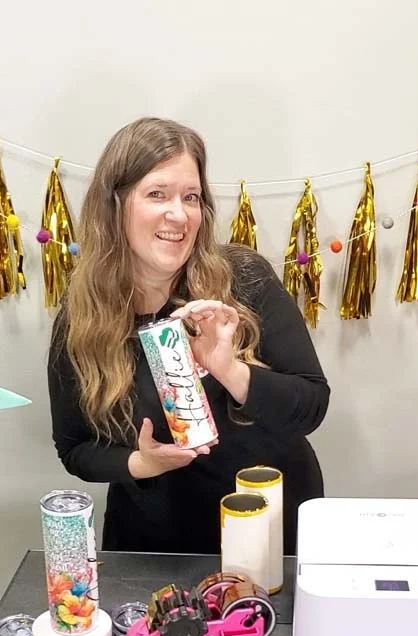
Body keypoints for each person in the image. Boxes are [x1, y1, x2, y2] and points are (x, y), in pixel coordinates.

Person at [48, 117, 329, 556]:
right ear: (115, 203)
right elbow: (74, 448)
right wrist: (142, 463)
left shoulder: (243, 279)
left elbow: (312, 405)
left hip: (270, 531)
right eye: (157, 194)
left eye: (191, 197)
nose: (179, 215)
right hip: (154, 545)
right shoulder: (84, 314)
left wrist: (231, 371)